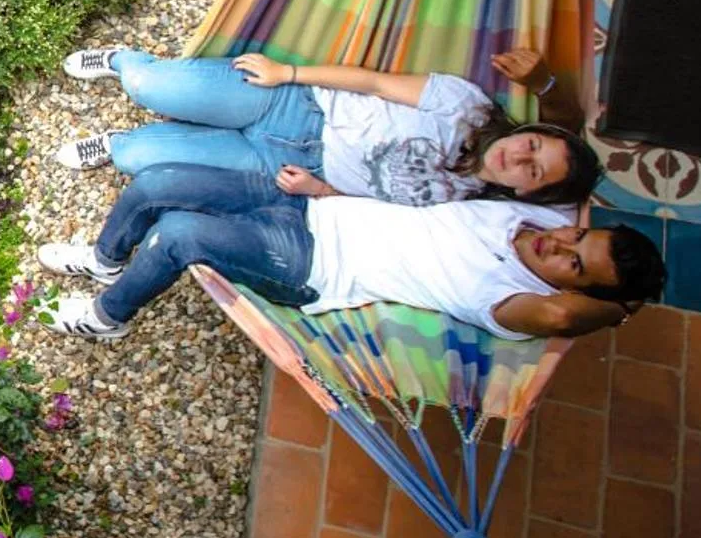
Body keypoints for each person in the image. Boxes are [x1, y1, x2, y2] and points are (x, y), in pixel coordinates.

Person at [34, 162, 665, 342]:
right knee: (155, 185)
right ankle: (107, 257)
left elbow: (561, 320)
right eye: (579, 237)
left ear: (576, 292)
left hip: (313, 266)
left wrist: (622, 311)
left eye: (573, 264)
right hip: (312, 205)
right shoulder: (538, 216)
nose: (561, 243)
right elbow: (568, 157)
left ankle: (106, 317)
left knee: (176, 232)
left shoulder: (513, 303)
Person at [51, 45, 600, 209]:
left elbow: (383, 218)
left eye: (534, 171)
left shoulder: (471, 208)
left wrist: (324, 190)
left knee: (134, 160)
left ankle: (121, 142)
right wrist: (286, 72)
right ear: (530, 129)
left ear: (529, 192)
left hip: (291, 170)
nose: (521, 157)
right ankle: (126, 60)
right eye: (533, 144)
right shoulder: (469, 107)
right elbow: (376, 84)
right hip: (298, 108)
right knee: (149, 88)